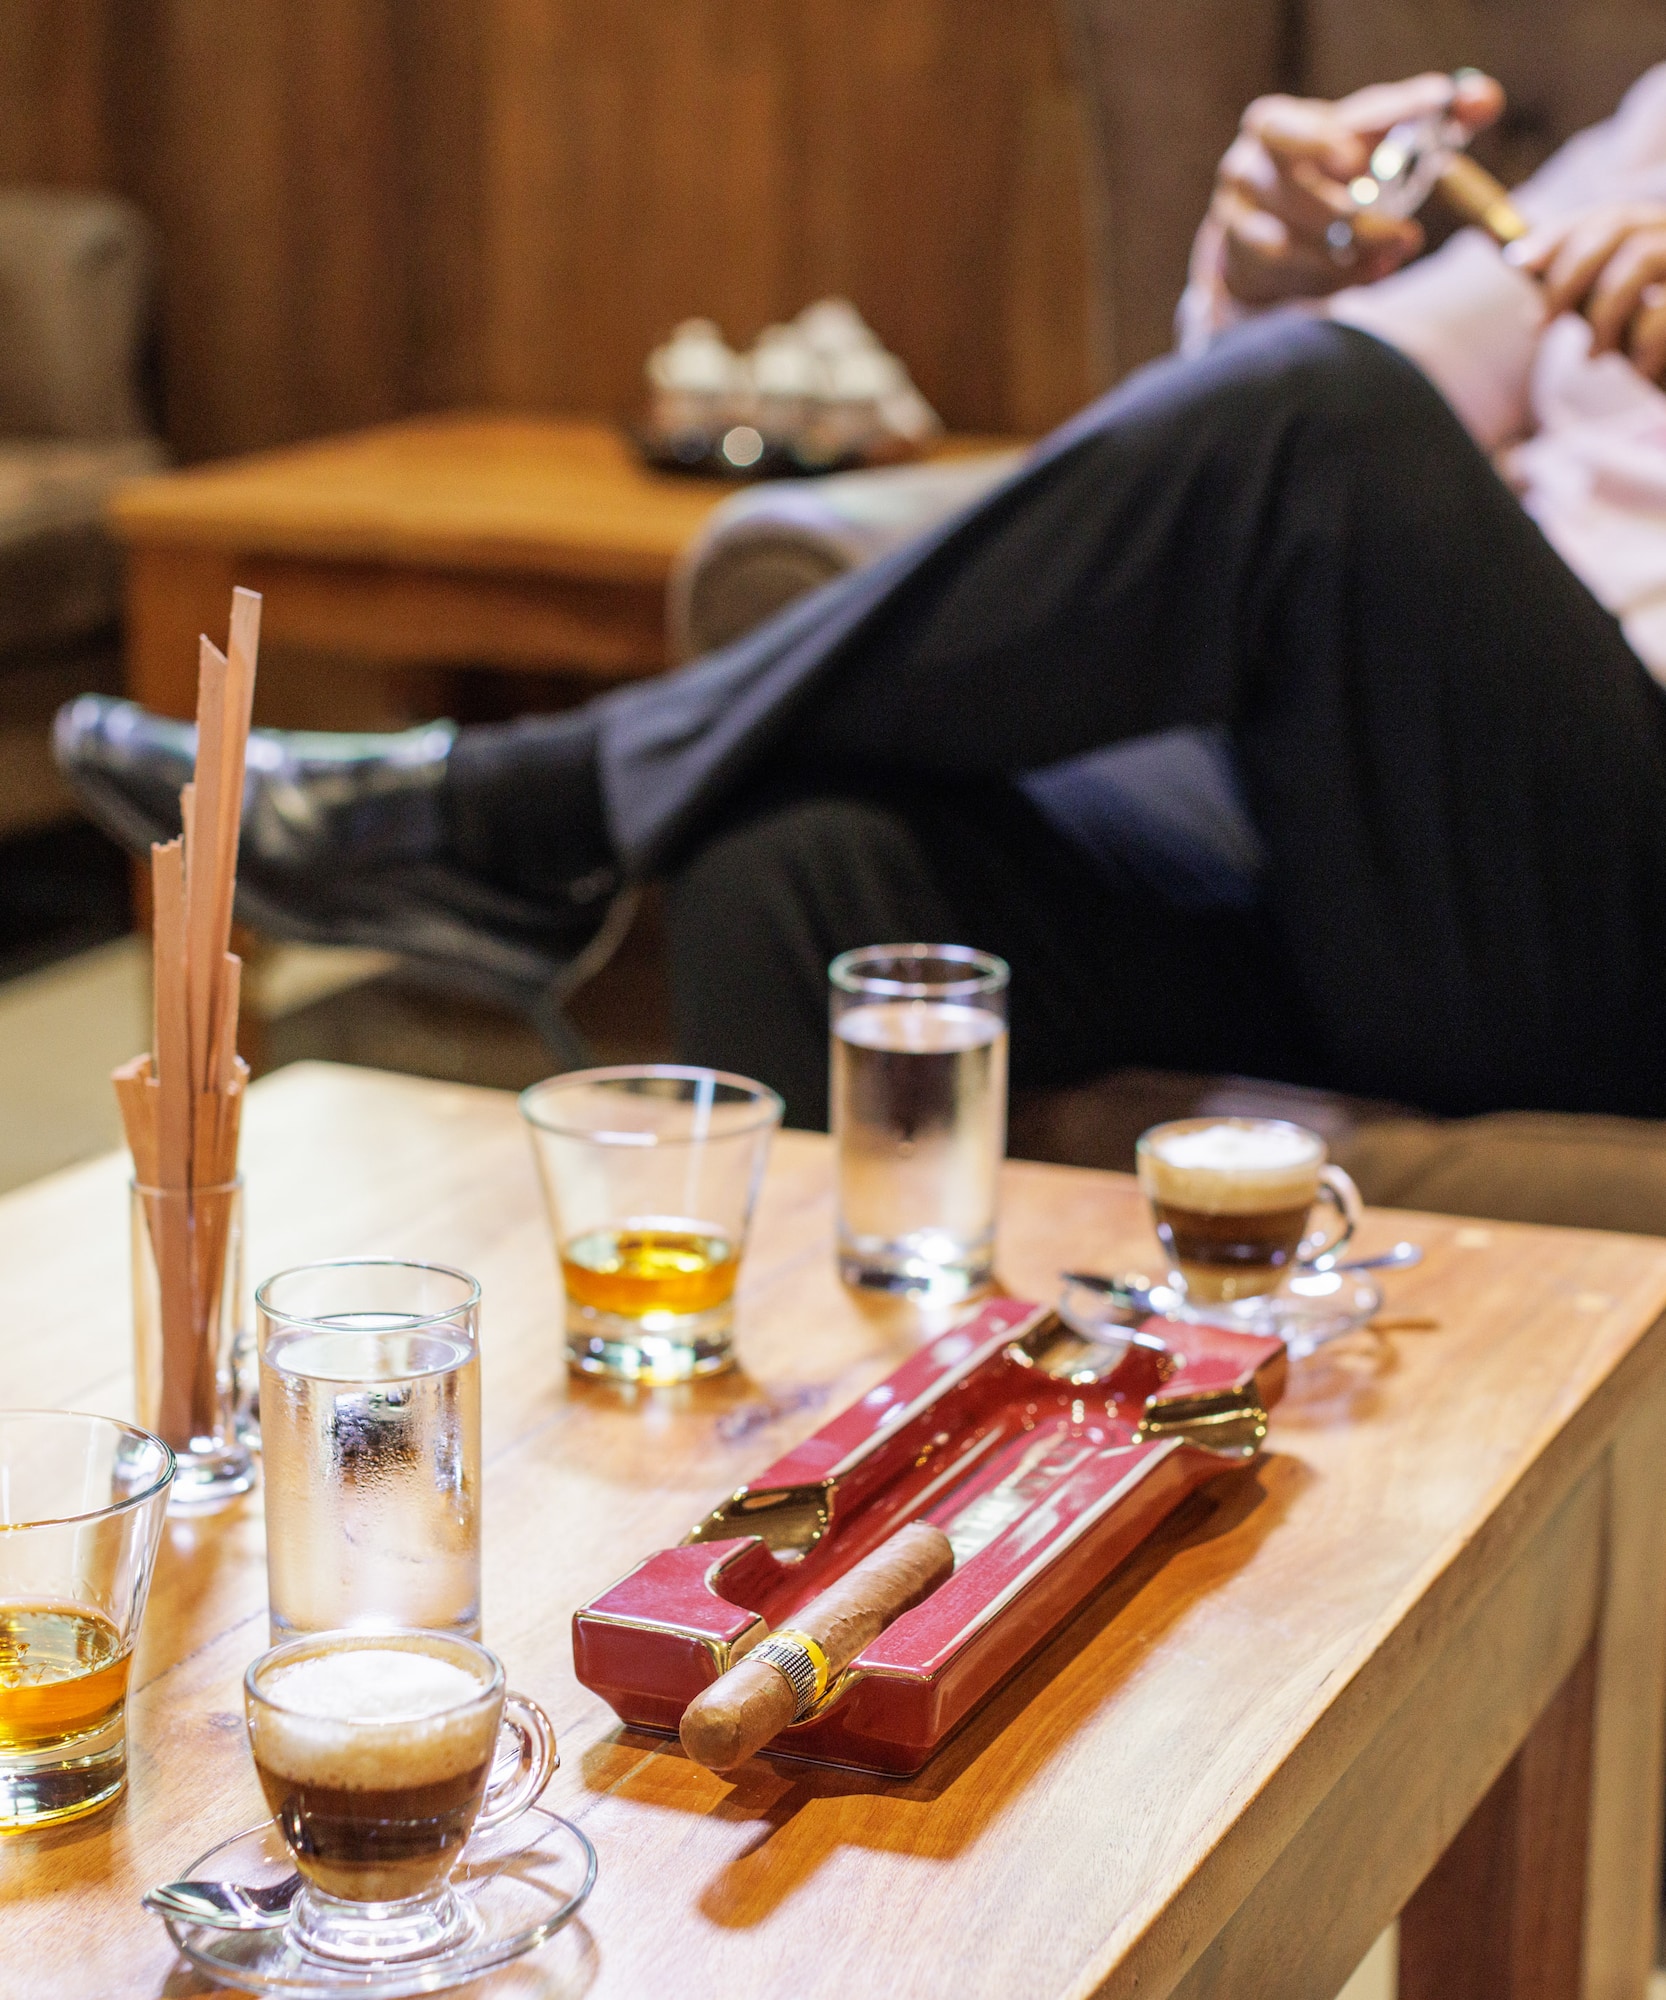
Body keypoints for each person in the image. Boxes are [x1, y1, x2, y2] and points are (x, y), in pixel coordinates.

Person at [57, 66, 1666, 1129]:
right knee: (811, 865)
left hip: (1616, 913)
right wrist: (1272, 274)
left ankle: (523, 813)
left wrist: (1308, 385)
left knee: (1322, 429)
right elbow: (1349, 414)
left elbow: (1326, 441)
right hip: (1405, 831)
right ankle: (803, 1505)